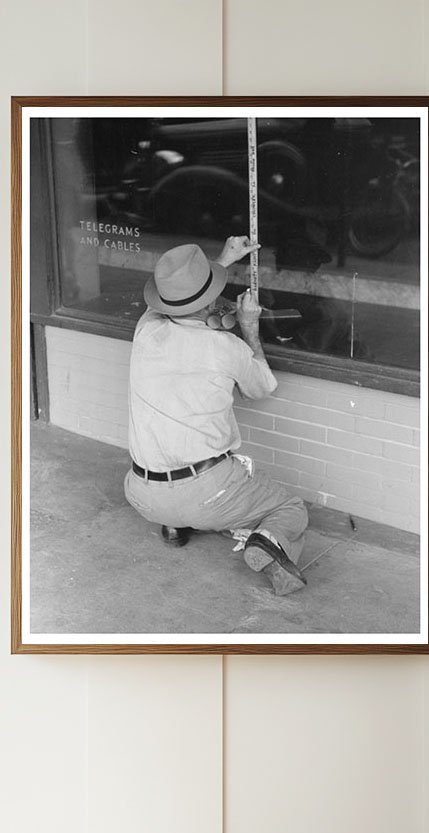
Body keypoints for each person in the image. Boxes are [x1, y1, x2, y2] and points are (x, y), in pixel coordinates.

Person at [124, 237, 309, 596]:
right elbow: (261, 387)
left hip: (142, 495)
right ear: (211, 301)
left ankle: (174, 524)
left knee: (179, 477)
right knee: (291, 508)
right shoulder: (227, 347)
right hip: (207, 494)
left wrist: (223, 261)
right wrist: (248, 326)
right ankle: (266, 542)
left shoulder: (146, 330)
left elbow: (180, 302)